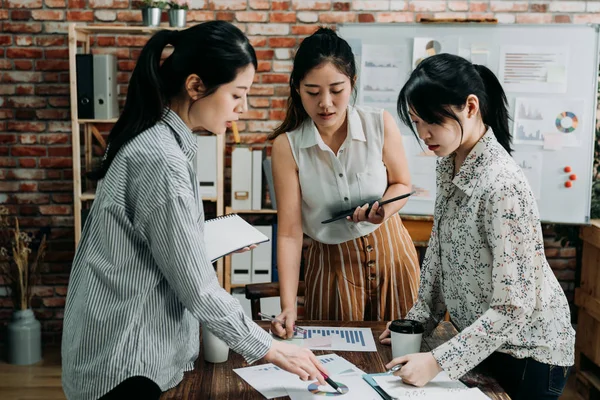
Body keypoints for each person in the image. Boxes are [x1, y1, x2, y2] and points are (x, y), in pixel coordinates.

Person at [61, 21, 328, 400]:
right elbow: (198, 288)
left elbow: (153, 242)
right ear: (195, 86)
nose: (243, 108)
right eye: (237, 95)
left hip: (120, 347)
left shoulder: (157, 139)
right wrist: (269, 348)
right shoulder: (161, 159)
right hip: (125, 358)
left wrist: (202, 241)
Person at [379, 53, 575, 399]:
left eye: (432, 121)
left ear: (470, 107)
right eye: (416, 121)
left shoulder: (502, 185)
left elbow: (513, 306)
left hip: (528, 353)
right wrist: (416, 324)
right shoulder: (450, 165)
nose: (424, 134)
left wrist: (437, 360)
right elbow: (438, 253)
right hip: (484, 343)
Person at [268, 27, 420, 340]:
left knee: (403, 358)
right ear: (297, 88)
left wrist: (384, 212)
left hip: (393, 256)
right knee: (337, 359)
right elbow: (289, 232)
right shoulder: (288, 147)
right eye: (313, 92)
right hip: (330, 267)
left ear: (352, 83)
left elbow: (402, 184)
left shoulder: (379, 124)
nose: (325, 103)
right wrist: (287, 305)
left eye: (336, 90)